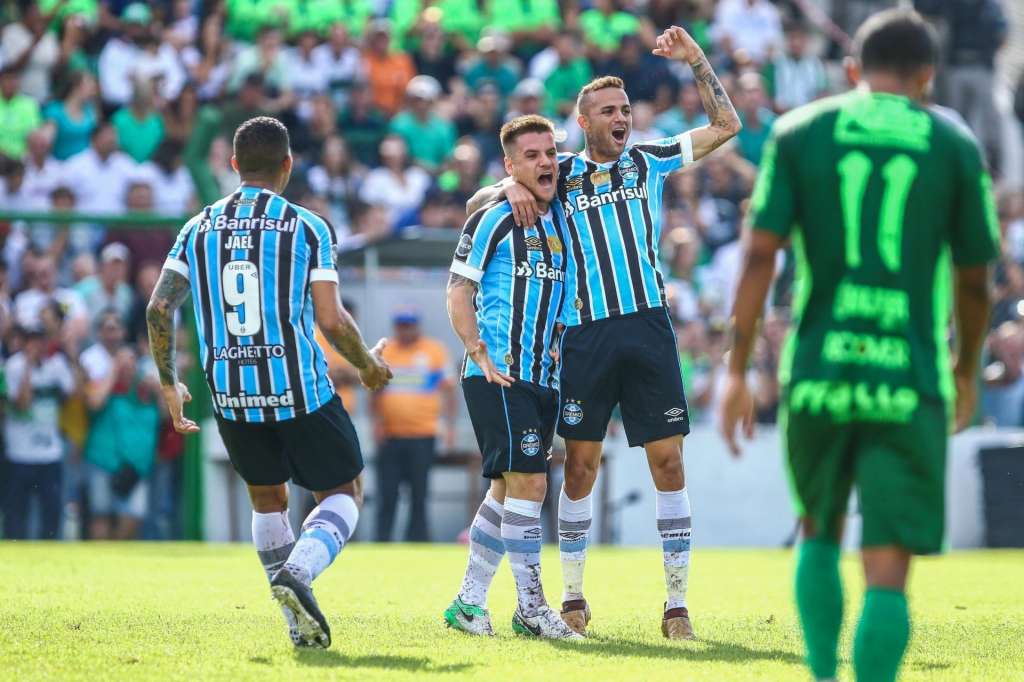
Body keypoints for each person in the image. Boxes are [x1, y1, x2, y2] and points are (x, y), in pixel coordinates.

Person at [718, 10, 999, 682]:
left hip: (818, 370)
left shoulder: (800, 131)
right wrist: (965, 371)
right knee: (887, 565)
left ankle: (821, 672)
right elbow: (975, 282)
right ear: (928, 77)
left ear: (851, 69)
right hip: (908, 377)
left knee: (817, 527)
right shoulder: (953, 145)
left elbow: (759, 255)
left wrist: (735, 369)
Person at [467, 25, 741, 639]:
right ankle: (572, 598)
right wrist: (507, 182)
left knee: (668, 461)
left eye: (625, 110)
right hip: (584, 336)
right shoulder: (557, 174)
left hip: (648, 327)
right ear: (584, 122)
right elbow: (481, 201)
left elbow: (727, 127)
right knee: (582, 467)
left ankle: (676, 606)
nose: (622, 118)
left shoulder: (649, 160)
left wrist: (696, 59)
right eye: (608, 112)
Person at [146, 116, 392, 648]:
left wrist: (169, 382)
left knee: (268, 499)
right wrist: (367, 366)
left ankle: (296, 627)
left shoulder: (197, 227)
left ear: (234, 165)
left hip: (230, 393)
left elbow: (159, 307)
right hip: (297, 386)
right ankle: (299, 573)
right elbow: (330, 320)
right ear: (288, 164)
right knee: (343, 490)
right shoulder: (307, 225)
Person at [444, 114, 579, 640]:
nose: (545, 162)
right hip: (500, 373)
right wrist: (477, 351)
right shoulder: (495, 218)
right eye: (531, 156)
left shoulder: (560, 216)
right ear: (509, 165)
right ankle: (531, 608)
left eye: (550, 153)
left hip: (541, 377)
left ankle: (469, 603)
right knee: (531, 483)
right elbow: (458, 290)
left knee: (506, 491)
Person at [371, 308, 456, 542]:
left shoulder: (434, 351)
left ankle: (417, 541)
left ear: (417, 326)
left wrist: (449, 427)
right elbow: (375, 391)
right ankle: (382, 542)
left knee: (420, 494)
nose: (405, 329)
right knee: (387, 494)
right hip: (390, 435)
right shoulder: (386, 351)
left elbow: (449, 392)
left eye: (409, 325)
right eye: (401, 325)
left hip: (423, 434)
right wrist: (375, 425)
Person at [2, 326, 75, 540]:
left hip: (49, 453)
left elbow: (74, 393)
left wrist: (70, 354)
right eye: (32, 341)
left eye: (40, 341)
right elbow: (22, 404)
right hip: (20, 453)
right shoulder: (13, 367)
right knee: (16, 514)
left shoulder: (56, 365)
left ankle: (49, 556)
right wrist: (28, 366)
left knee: (51, 513)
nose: (37, 346)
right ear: (24, 343)